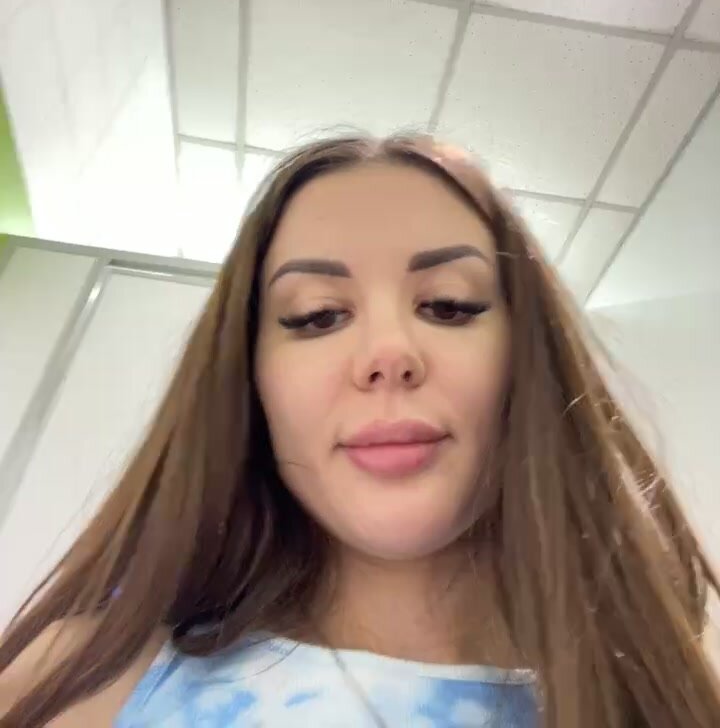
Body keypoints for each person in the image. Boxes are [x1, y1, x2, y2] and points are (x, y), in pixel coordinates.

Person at [1, 132, 719, 728]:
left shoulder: (674, 699)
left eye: (448, 305)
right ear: (251, 382)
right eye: (317, 316)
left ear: (529, 363)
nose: (388, 353)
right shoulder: (74, 687)